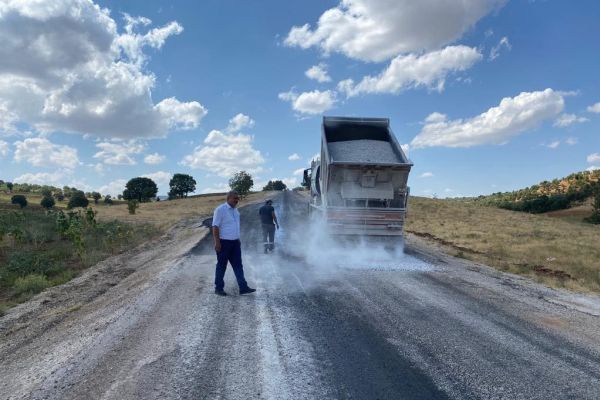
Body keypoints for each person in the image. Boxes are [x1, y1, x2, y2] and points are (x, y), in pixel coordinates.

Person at [212, 191, 256, 296]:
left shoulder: (236, 211)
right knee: (222, 266)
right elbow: (215, 227)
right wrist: (217, 243)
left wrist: (238, 239)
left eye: (238, 199)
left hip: (235, 243)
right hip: (224, 243)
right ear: (228, 198)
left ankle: (243, 287)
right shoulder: (220, 210)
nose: (236, 200)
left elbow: (235, 226)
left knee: (238, 266)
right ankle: (218, 288)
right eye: (234, 198)